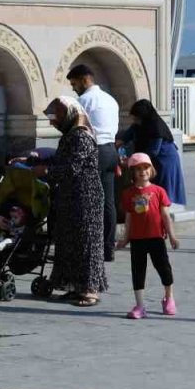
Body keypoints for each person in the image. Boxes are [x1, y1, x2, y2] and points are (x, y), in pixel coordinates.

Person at [36, 96, 107, 307]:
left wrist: (45, 171)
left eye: (55, 117)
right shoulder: (70, 135)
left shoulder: (81, 137)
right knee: (70, 242)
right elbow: (61, 160)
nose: (52, 122)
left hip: (86, 197)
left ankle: (90, 290)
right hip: (70, 196)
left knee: (86, 243)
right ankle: (75, 286)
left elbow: (71, 167)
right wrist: (32, 160)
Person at [115, 153, 180, 319]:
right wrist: (125, 238)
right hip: (137, 239)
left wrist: (172, 236)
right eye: (138, 169)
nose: (142, 171)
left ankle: (169, 297)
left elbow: (165, 216)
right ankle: (140, 305)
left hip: (156, 237)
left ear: (151, 170)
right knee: (138, 271)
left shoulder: (159, 191)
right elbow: (129, 217)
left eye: (145, 168)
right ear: (132, 173)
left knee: (164, 268)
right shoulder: (128, 193)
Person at [67, 64, 120, 262]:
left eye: (74, 84)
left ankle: (89, 246)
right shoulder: (110, 100)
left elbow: (75, 128)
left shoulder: (83, 101)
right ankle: (108, 248)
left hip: (92, 151)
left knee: (87, 200)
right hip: (110, 151)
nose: (73, 88)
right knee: (108, 202)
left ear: (84, 80)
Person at [119, 99, 187, 206]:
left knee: (163, 193)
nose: (134, 120)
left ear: (143, 116)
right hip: (151, 161)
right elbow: (126, 135)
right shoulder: (139, 125)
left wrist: (133, 160)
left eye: (136, 117)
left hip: (165, 161)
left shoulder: (156, 126)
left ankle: (162, 216)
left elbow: (154, 150)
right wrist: (119, 142)